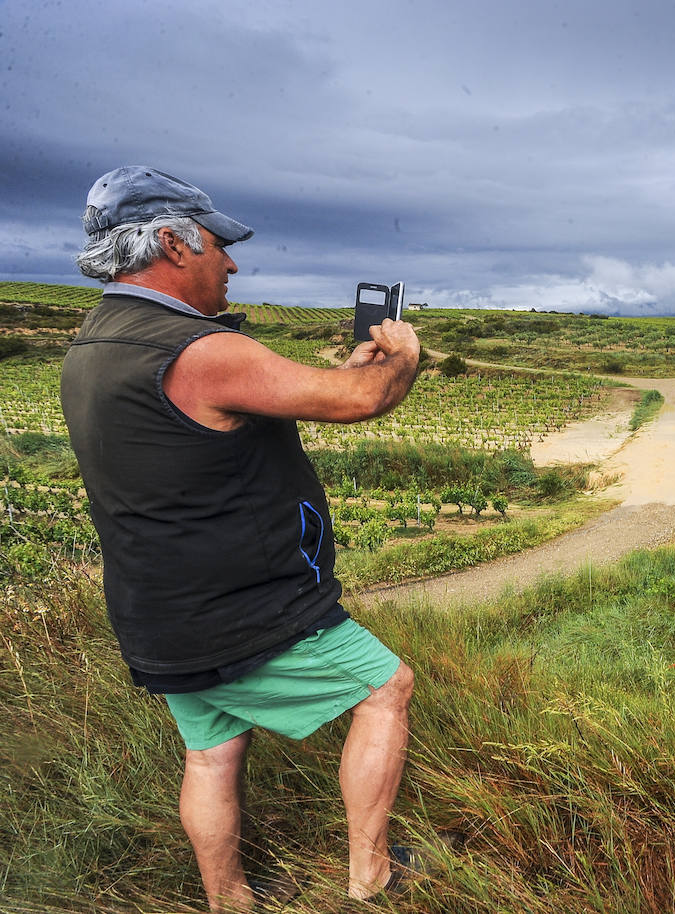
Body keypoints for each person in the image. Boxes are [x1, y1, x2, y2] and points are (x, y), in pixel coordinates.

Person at [60, 166, 422, 911]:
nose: (231, 261)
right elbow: (361, 401)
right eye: (218, 242)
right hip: (249, 609)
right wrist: (400, 363)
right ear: (171, 241)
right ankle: (372, 876)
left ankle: (230, 900)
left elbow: (222, 412)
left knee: (212, 752)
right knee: (386, 689)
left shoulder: (94, 345)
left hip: (158, 611)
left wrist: (336, 369)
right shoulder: (196, 348)